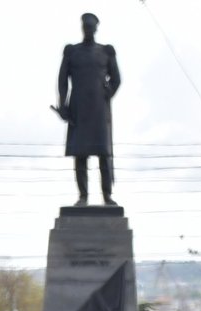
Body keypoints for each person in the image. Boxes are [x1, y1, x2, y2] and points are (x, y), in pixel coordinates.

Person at [56, 11, 121, 206]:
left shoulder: (106, 52)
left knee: (103, 153)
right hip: (79, 108)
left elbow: (116, 79)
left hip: (99, 110)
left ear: (96, 29)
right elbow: (62, 80)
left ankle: (107, 195)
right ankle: (83, 196)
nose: (88, 30)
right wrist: (63, 105)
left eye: (91, 28)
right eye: (86, 27)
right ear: (82, 28)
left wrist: (106, 93)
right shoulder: (72, 52)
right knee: (80, 153)